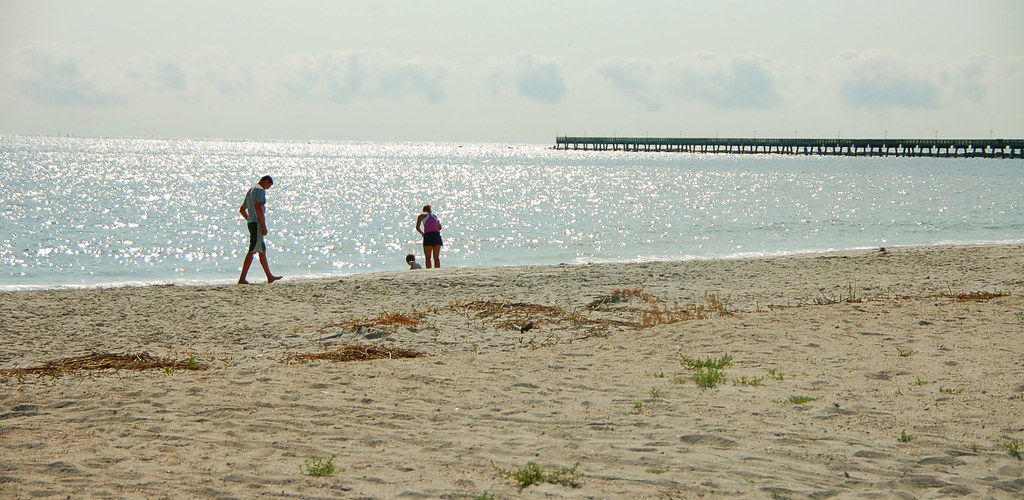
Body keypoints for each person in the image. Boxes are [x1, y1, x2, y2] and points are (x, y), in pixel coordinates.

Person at [238, 175, 282, 284]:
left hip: (251, 222)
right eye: (269, 186)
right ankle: (242, 278)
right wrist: (263, 225)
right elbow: (259, 207)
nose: (268, 188)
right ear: (265, 181)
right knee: (252, 250)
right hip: (257, 223)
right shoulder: (260, 190)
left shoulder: (251, 190)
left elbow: (242, 210)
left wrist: (249, 219)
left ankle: (269, 276)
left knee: (262, 250)